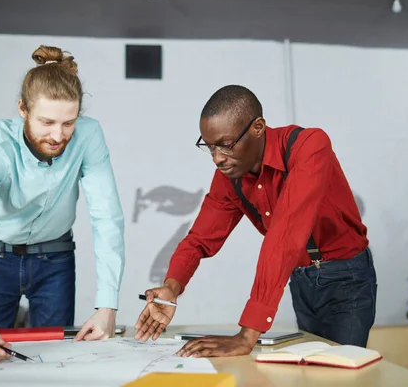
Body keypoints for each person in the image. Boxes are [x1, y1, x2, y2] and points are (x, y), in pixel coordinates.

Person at [134, 85, 377, 358]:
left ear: (258, 127)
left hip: (345, 277)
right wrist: (171, 287)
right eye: (210, 147)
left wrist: (247, 334)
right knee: (315, 370)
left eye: (225, 145)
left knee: (342, 370)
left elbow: (286, 235)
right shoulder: (230, 176)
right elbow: (199, 239)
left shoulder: (309, 146)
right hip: (300, 279)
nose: (217, 158)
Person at [0, 45, 125, 363]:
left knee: (54, 361)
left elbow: (107, 218)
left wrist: (107, 307)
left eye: (68, 123)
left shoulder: (89, 136)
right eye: (46, 122)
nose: (58, 135)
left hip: (55, 260)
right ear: (22, 108)